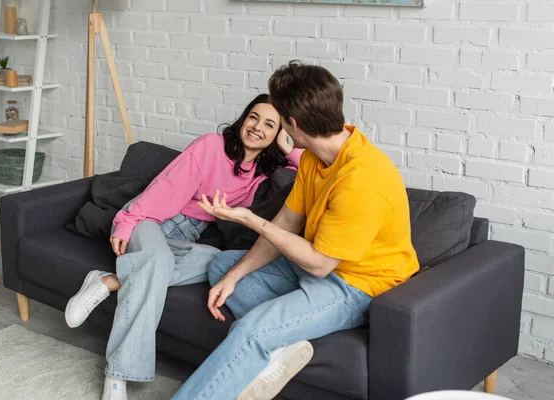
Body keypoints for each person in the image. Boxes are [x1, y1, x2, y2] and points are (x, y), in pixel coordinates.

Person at [170, 61, 420, 400]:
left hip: (358, 286)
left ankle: (269, 338)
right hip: (309, 266)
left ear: (292, 124)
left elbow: (320, 264)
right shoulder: (317, 157)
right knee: (223, 268)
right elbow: (286, 223)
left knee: (252, 331)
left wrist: (248, 218)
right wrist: (234, 276)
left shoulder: (362, 180)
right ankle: (283, 343)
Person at [63, 93, 301, 400]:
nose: (258, 127)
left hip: (186, 236)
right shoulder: (211, 146)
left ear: (277, 135)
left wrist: (288, 148)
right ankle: (117, 375)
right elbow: (166, 186)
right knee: (158, 262)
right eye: (253, 117)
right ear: (244, 119)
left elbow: (312, 171)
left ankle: (108, 280)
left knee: (216, 260)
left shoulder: (261, 173)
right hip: (151, 219)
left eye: (270, 125)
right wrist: (128, 220)